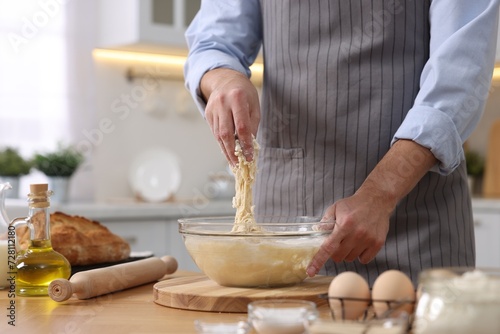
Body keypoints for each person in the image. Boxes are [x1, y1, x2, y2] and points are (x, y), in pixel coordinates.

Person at [184, 0, 499, 286]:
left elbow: (459, 78)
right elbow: (213, 42)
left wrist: (380, 193)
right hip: (281, 238)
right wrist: (223, 78)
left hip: (415, 231)